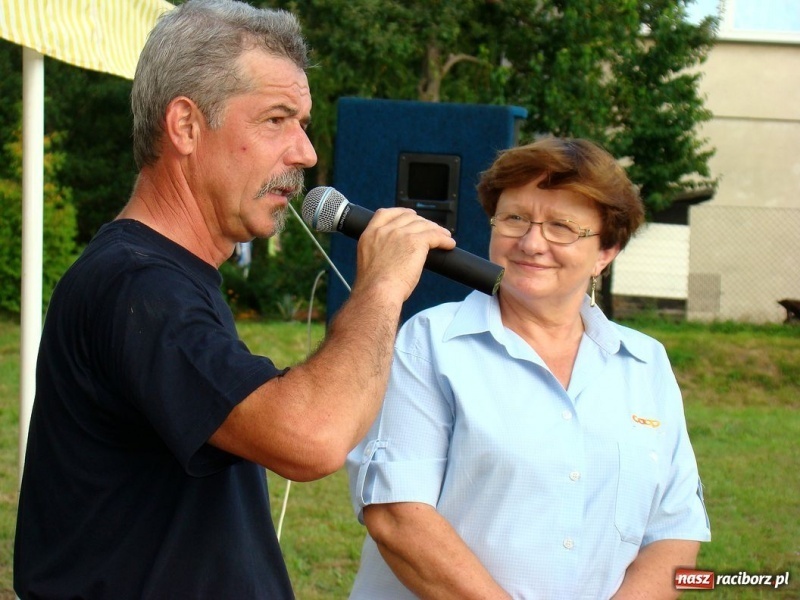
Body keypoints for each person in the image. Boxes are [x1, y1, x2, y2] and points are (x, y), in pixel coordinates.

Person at [13, 1, 455, 598]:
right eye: (276, 120)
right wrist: (380, 286)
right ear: (186, 126)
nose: (305, 153)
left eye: (300, 123)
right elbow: (312, 435)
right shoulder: (137, 285)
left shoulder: (164, 278)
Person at [346, 137, 711, 599]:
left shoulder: (645, 363)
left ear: (606, 252)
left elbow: (675, 532)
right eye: (515, 218)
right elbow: (398, 516)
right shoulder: (429, 344)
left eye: (561, 226)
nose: (532, 243)